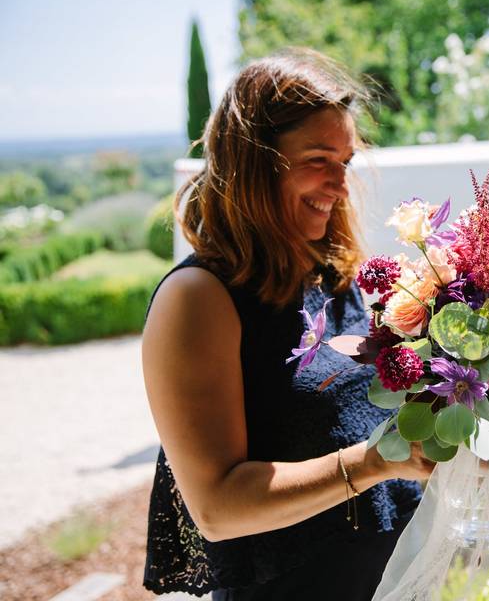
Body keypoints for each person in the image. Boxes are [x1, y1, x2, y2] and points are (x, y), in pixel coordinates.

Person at [141, 49, 433, 600]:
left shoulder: (333, 279)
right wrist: (375, 462)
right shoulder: (198, 299)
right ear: (252, 161)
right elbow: (217, 508)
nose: (339, 185)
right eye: (320, 158)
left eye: (345, 162)